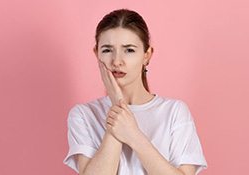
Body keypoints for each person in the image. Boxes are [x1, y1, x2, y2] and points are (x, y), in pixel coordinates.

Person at [63, 9, 207, 175]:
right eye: (107, 50)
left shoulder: (174, 112)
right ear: (96, 54)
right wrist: (118, 105)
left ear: (147, 55)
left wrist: (133, 135)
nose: (117, 61)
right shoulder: (83, 115)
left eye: (129, 50)